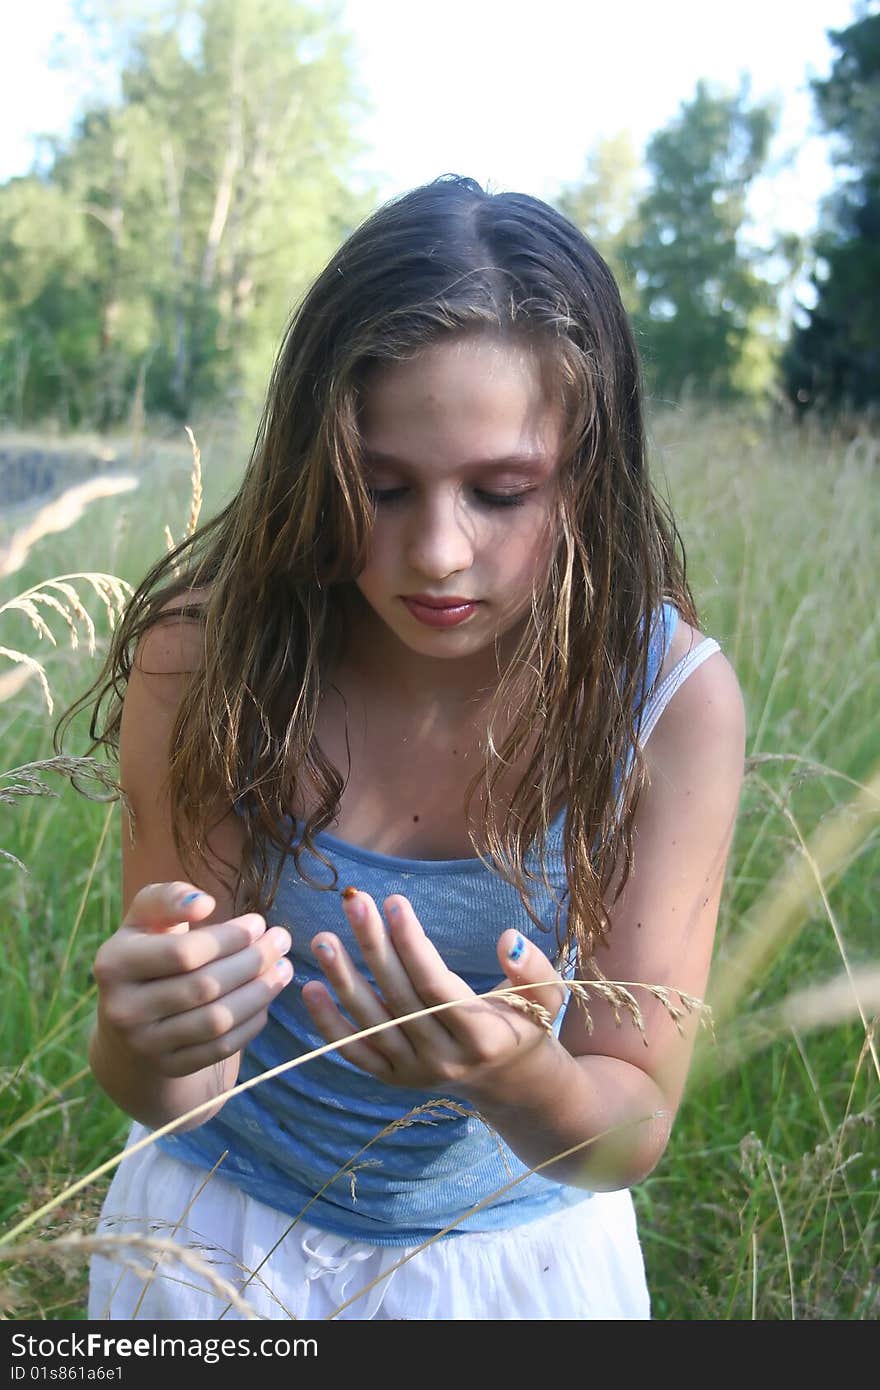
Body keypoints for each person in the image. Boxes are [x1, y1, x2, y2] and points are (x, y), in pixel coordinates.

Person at [67, 174, 746, 1321]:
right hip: (216, 1245)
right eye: (380, 487)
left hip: (513, 1266)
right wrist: (136, 1032)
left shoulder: (671, 702)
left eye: (501, 491)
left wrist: (514, 1077)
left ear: (589, 477)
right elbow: (176, 1090)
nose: (437, 550)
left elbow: (630, 1124)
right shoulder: (209, 654)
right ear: (310, 463)